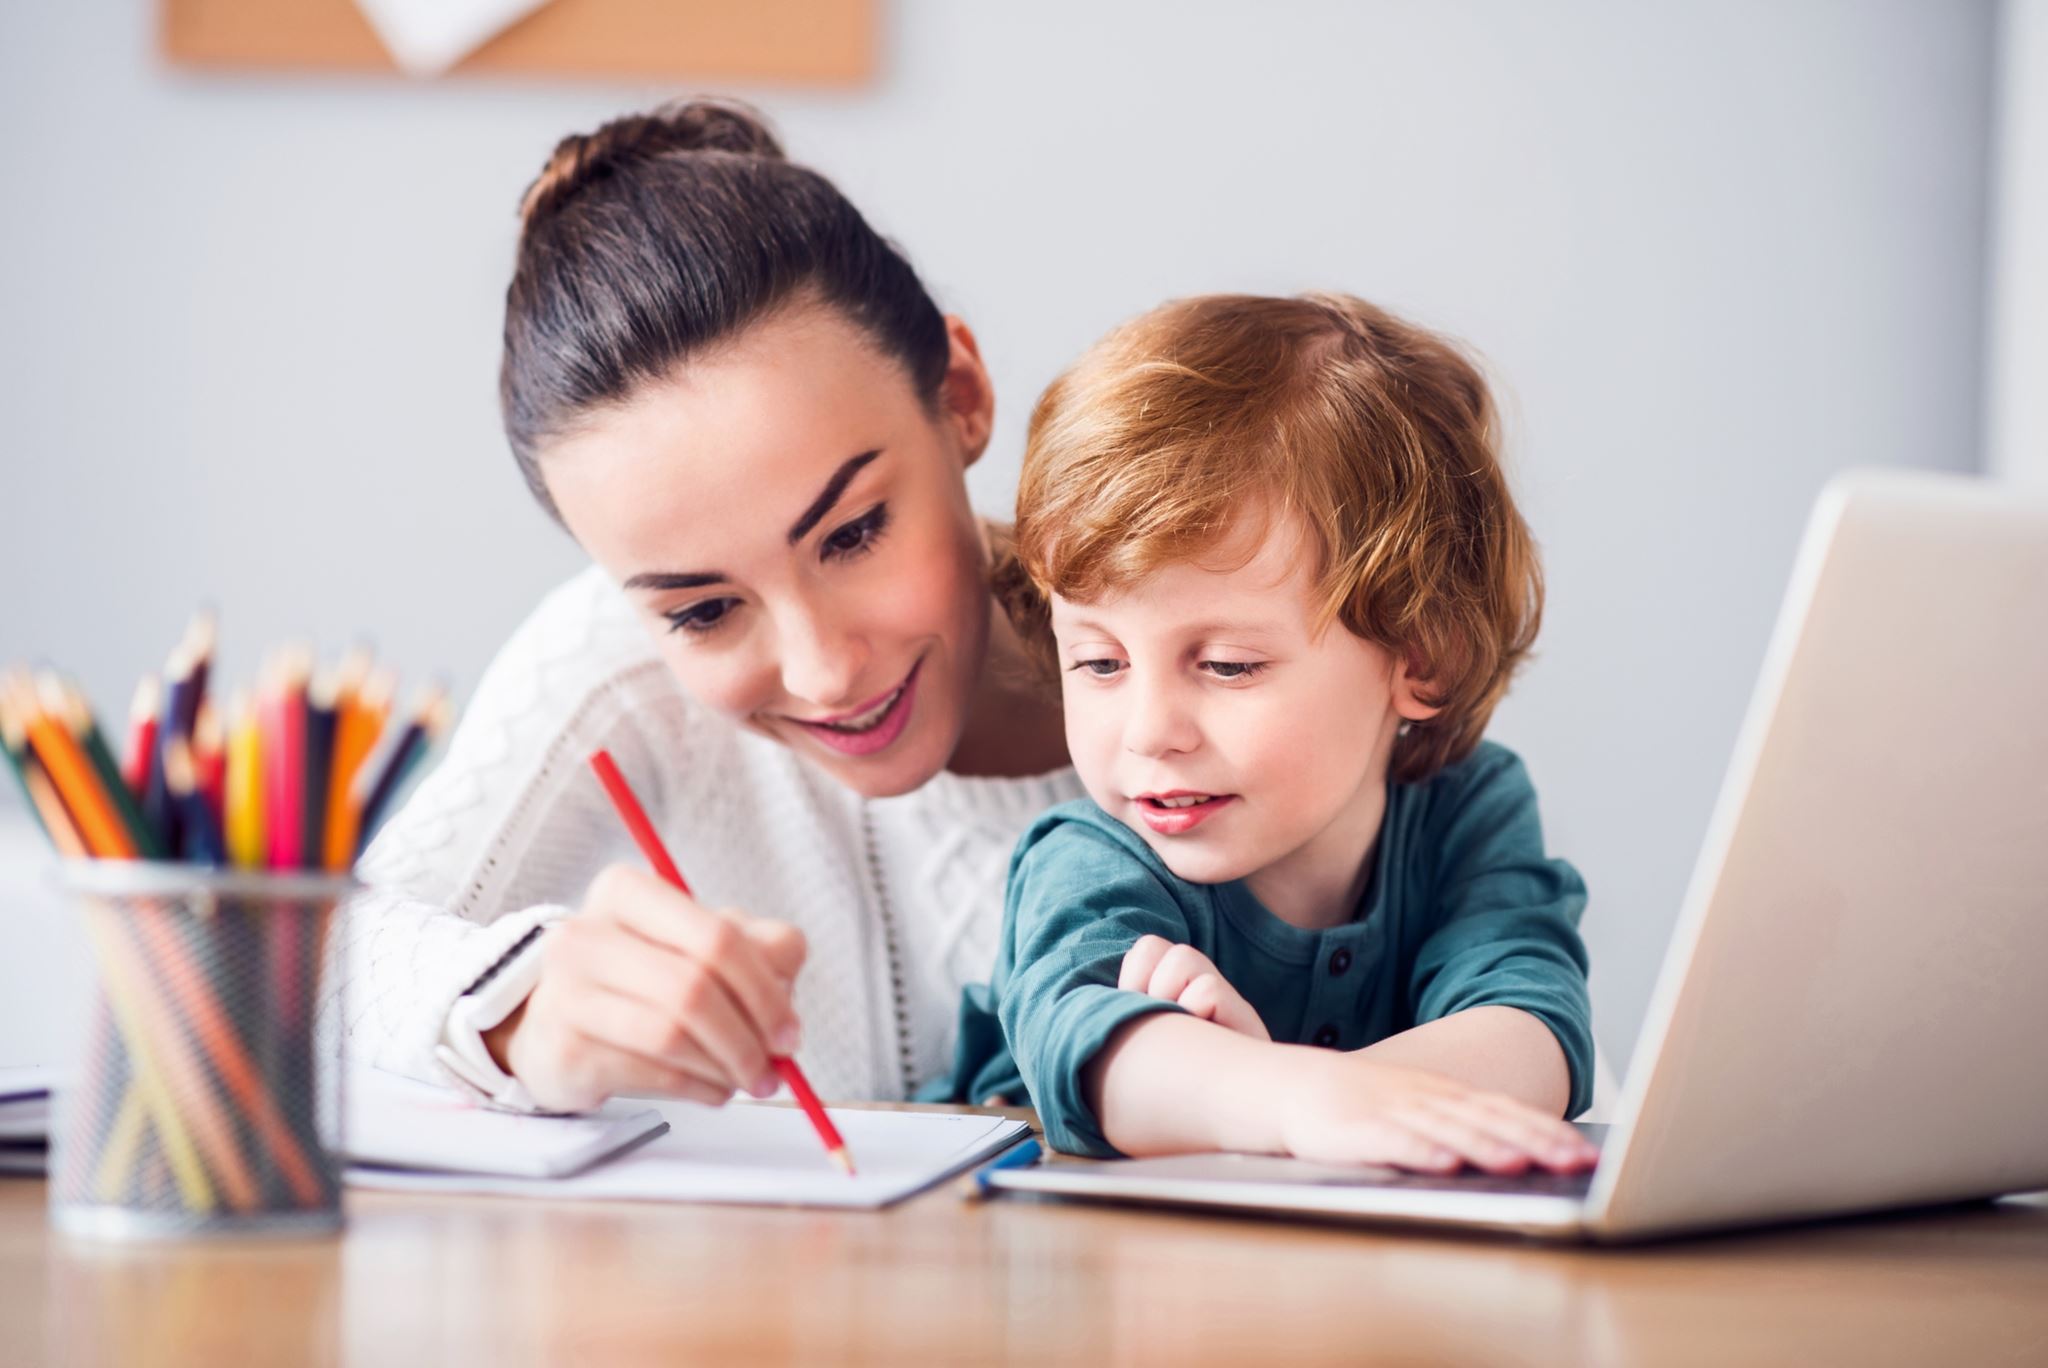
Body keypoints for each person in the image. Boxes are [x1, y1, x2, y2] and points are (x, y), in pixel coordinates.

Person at [328, 99, 1077, 1115]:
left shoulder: (1211, 649)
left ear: (959, 396)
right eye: (701, 612)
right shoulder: (611, 664)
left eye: (851, 535)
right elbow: (319, 948)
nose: (822, 673)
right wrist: (516, 1014)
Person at [943, 294, 1600, 1174]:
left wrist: (1297, 1092)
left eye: (1226, 666)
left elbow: (1534, 1038)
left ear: (1422, 660)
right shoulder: (1093, 858)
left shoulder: (1467, 810)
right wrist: (1278, 1097)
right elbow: (1098, 1063)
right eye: (1100, 663)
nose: (1149, 731)